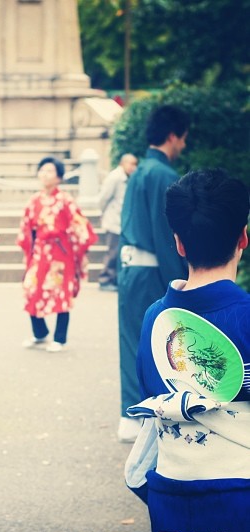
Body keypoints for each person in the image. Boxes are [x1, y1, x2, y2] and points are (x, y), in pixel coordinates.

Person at [125, 169, 250, 532]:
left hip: (172, 492)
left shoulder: (153, 322)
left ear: (178, 243)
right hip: (240, 492)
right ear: (243, 238)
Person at [117, 105, 190, 442]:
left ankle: (131, 415)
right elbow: (166, 237)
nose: (184, 146)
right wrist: (181, 282)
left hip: (131, 267)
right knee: (156, 345)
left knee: (133, 341)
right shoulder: (162, 175)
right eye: (183, 139)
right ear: (173, 135)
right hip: (152, 271)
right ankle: (146, 416)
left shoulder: (140, 171)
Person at [17, 156, 97, 352]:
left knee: (61, 294)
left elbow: (80, 226)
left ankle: (59, 338)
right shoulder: (34, 200)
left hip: (61, 253)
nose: (45, 174)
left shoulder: (65, 200)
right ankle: (40, 333)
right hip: (39, 252)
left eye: (50, 170)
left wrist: (82, 253)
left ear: (59, 177)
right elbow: (27, 229)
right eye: (42, 169)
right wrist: (27, 252)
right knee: (31, 290)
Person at [97, 153, 138, 291]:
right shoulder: (115, 177)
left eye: (135, 164)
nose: (133, 167)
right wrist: (102, 214)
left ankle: (113, 280)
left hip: (121, 222)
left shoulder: (127, 178)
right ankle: (105, 279)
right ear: (123, 163)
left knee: (119, 253)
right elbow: (103, 198)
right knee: (113, 252)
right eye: (131, 164)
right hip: (113, 221)